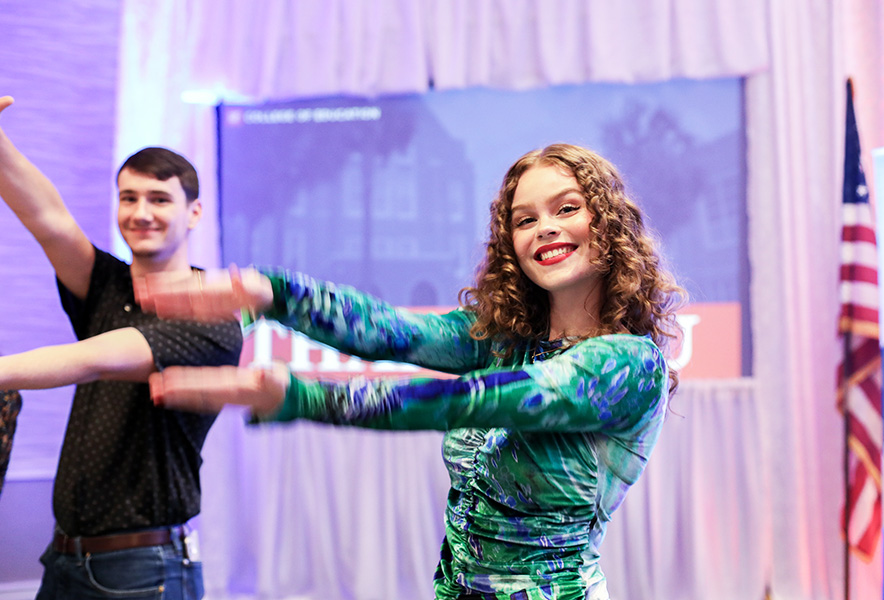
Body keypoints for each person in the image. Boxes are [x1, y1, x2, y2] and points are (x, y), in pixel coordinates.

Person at [138, 143, 686, 600]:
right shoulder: (506, 339)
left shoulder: (628, 363)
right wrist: (273, 293)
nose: (544, 228)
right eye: (525, 219)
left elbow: (476, 400)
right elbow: (397, 332)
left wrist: (301, 396)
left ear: (608, 223)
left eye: (566, 209)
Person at [0, 96, 243, 599]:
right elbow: (49, 219)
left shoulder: (212, 312)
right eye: (128, 198)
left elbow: (93, 359)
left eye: (158, 199)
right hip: (64, 558)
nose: (141, 212)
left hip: (144, 570)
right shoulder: (108, 287)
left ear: (194, 213)